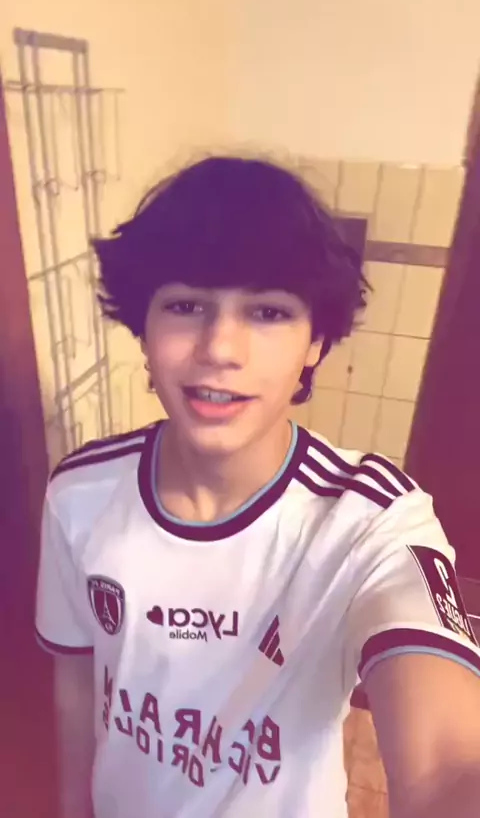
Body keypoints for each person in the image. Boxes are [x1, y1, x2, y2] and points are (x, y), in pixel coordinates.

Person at [35, 156, 480, 818]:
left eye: (268, 312)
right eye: (186, 306)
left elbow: (447, 762)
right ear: (144, 329)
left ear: (316, 343)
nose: (220, 347)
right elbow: (76, 682)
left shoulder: (371, 520)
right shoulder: (79, 493)